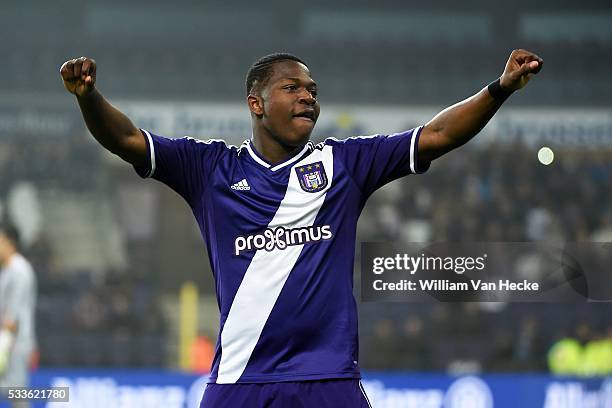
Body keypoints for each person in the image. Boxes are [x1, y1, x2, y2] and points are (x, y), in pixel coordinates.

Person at [60, 49, 542, 407]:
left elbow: (436, 136)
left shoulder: (345, 164)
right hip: (240, 382)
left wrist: (498, 89)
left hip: (327, 380)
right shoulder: (210, 169)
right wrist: (89, 97)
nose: (308, 97)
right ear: (256, 103)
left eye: (312, 91)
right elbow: (125, 139)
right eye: (292, 88)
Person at [0, 223, 37, 408]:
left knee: (17, 392)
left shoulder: (19, 270)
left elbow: (12, 315)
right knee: (17, 394)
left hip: (14, 343)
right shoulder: (6, 270)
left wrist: (3, 346)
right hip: (8, 341)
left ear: (9, 242)